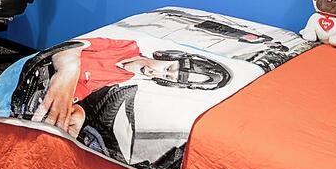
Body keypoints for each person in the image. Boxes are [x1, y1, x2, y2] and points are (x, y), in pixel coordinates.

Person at [27, 37, 230, 138]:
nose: (156, 73)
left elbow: (81, 93)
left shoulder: (122, 82)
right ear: (169, 56)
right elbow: (74, 46)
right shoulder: (127, 47)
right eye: (167, 68)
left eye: (167, 78)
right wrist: (69, 68)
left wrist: (76, 111)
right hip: (47, 69)